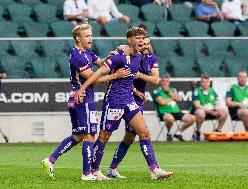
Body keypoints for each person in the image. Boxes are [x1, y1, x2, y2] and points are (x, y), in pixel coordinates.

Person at [75, 27, 173, 180]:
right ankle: (94, 170)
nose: (141, 41)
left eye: (143, 39)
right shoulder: (119, 57)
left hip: (129, 101)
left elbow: (133, 75)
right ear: (130, 40)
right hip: (114, 102)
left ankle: (154, 170)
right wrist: (82, 88)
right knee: (104, 137)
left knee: (144, 133)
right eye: (138, 38)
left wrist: (134, 90)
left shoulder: (140, 56)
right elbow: (98, 73)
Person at [41, 23, 131, 181]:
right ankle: (86, 174)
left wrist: (110, 58)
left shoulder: (87, 52)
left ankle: (50, 160)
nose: (91, 38)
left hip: (79, 98)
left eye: (91, 35)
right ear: (78, 38)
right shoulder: (77, 56)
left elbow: (101, 64)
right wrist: (115, 76)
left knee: (77, 136)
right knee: (90, 136)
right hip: (82, 98)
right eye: (87, 35)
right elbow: (93, 78)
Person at [106, 37, 160, 179]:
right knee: (107, 135)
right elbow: (121, 76)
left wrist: (138, 75)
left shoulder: (151, 58)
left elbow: (156, 80)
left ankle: (112, 169)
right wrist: (135, 89)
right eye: (143, 44)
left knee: (130, 137)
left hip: (137, 102)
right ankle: (154, 169)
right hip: (123, 98)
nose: (146, 47)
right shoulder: (128, 54)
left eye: (148, 44)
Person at [153, 75, 196, 141]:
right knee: (170, 118)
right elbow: (162, 102)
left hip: (176, 111)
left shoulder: (172, 90)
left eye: (167, 81)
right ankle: (169, 133)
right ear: (160, 82)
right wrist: (172, 98)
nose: (165, 83)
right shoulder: (156, 91)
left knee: (192, 118)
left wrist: (168, 92)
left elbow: (179, 99)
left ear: (169, 82)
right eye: (163, 81)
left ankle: (178, 133)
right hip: (164, 112)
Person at [191, 74, 228, 141]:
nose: (205, 84)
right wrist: (209, 111)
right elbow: (197, 105)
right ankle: (198, 132)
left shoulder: (212, 91)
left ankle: (218, 131)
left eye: (207, 82)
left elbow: (217, 102)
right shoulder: (197, 91)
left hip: (212, 111)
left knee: (225, 111)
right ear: (200, 83)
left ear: (209, 83)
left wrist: (216, 109)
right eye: (203, 82)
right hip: (201, 112)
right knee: (200, 112)